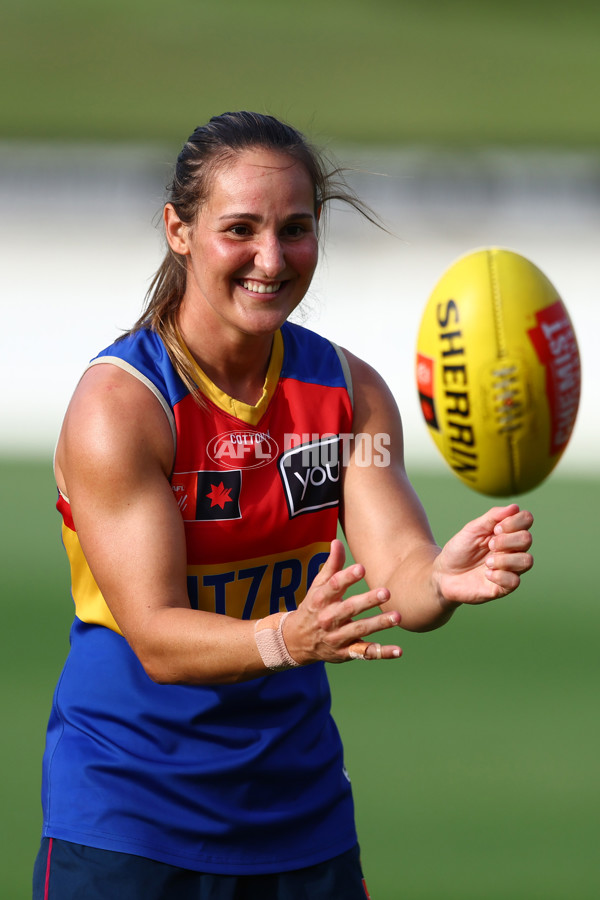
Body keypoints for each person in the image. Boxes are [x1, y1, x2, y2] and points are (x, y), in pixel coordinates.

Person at [33, 111, 534, 900]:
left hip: (300, 819)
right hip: (130, 821)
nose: (271, 258)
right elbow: (159, 639)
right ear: (179, 230)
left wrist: (441, 578)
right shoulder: (122, 408)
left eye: (295, 229)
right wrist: (287, 638)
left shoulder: (351, 397)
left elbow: (397, 566)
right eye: (240, 229)